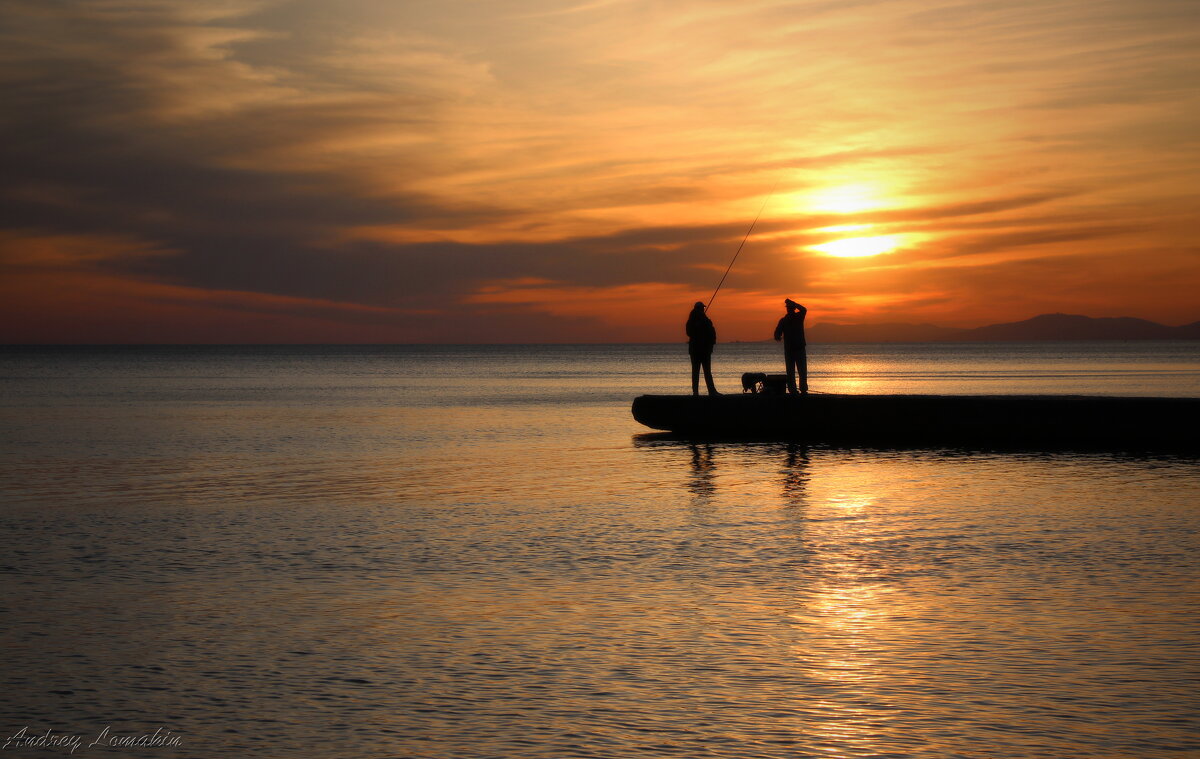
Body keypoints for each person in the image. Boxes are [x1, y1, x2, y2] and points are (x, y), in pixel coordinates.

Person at [774, 298, 808, 394]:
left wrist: (794, 303)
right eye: (789, 308)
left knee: (796, 371)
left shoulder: (796, 318)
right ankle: (797, 390)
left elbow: (804, 310)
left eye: (790, 308)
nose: (789, 310)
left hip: (796, 349)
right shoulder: (787, 320)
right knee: (797, 371)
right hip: (793, 349)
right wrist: (778, 336)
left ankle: (798, 389)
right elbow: (777, 333)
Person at [686, 302, 720, 396]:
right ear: (698, 308)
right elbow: (689, 332)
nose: (703, 309)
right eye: (701, 308)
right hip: (697, 350)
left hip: (705, 350)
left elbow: (711, 332)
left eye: (703, 308)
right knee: (696, 372)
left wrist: (711, 344)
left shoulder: (705, 319)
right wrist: (697, 325)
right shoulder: (692, 320)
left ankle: (711, 391)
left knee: (707, 372)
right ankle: (696, 392)